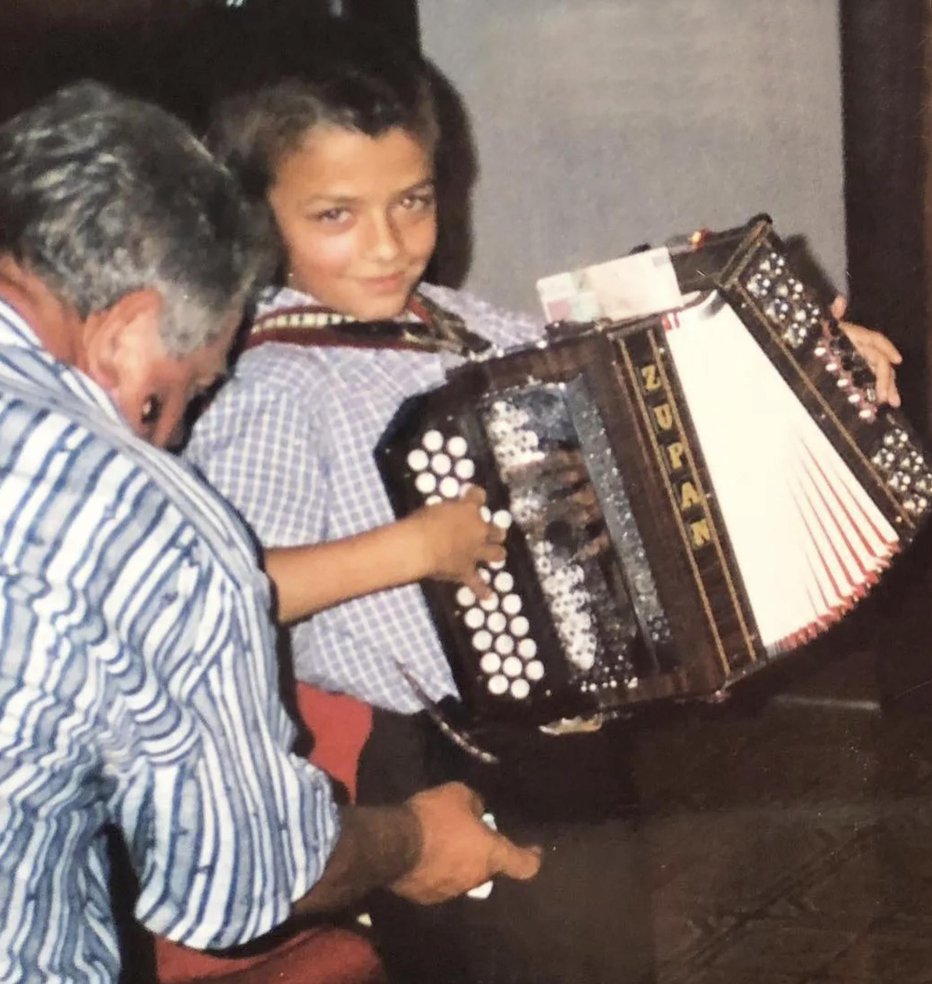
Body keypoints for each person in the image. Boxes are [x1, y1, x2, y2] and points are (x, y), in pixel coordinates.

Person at [184, 41, 904, 984]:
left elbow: (641, 379)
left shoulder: (462, 324)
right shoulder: (277, 382)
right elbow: (228, 588)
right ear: (255, 223)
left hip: (565, 739)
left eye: (412, 200)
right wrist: (408, 550)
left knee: (603, 954)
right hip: (425, 755)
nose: (389, 242)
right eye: (335, 215)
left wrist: (809, 357)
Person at [0, 80, 541, 984]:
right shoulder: (167, 510)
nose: (170, 436)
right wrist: (412, 842)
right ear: (128, 338)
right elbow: (235, 877)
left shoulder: (454, 323)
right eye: (180, 395)